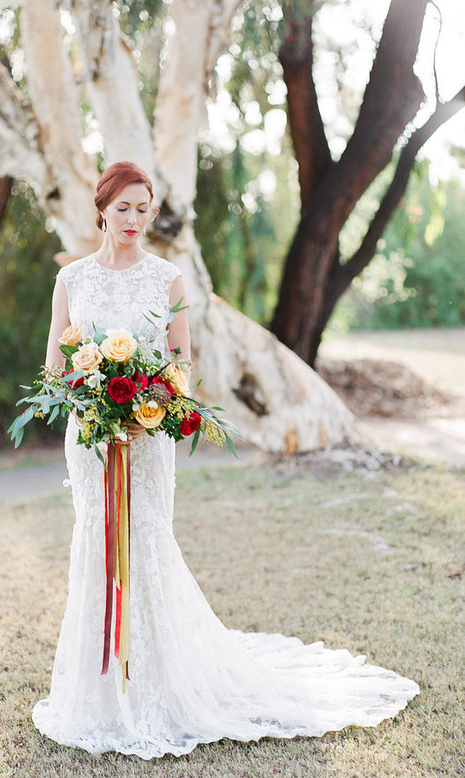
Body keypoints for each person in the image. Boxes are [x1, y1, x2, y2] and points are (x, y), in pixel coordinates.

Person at [32, 161, 419, 759]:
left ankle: (155, 682)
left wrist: (148, 408)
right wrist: (91, 402)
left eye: (143, 209)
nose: (134, 219)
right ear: (102, 209)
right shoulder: (72, 280)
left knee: (146, 540)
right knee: (97, 540)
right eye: (123, 208)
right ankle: (101, 688)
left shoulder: (168, 280)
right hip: (91, 440)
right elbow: (55, 367)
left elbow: (181, 366)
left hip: (147, 436)